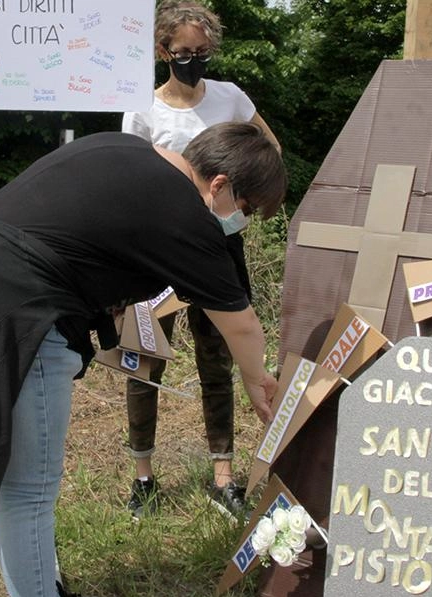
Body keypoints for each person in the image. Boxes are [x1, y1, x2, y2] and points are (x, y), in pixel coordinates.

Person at [0, 121, 285, 597]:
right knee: (29, 489)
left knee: (20, 479)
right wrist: (256, 381)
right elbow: (240, 323)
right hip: (22, 309)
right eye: (244, 210)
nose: (238, 222)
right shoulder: (186, 209)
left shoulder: (125, 149)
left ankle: (42, 580)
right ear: (220, 184)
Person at [120, 0, 281, 520]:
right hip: (156, 251)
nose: (192, 59)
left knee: (217, 356)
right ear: (163, 50)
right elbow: (131, 177)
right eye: (182, 51)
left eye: (201, 50)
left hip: (217, 246)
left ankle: (224, 476)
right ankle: (143, 478)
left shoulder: (231, 98)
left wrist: (248, 203)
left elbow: (269, 152)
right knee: (146, 358)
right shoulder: (143, 108)